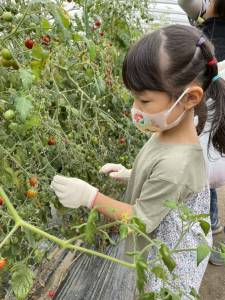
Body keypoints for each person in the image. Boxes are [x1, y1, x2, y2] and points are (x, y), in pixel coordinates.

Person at [50, 25, 225, 296]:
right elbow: (167, 186)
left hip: (168, 270)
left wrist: (90, 197)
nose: (136, 109)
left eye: (144, 100)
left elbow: (141, 220)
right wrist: (132, 174)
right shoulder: (168, 129)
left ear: (189, 97)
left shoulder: (176, 164)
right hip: (158, 249)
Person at [178, 0, 225, 265]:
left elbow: (186, 1)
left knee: (202, 160)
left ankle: (207, 225)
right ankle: (213, 229)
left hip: (202, 134)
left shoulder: (201, 27)